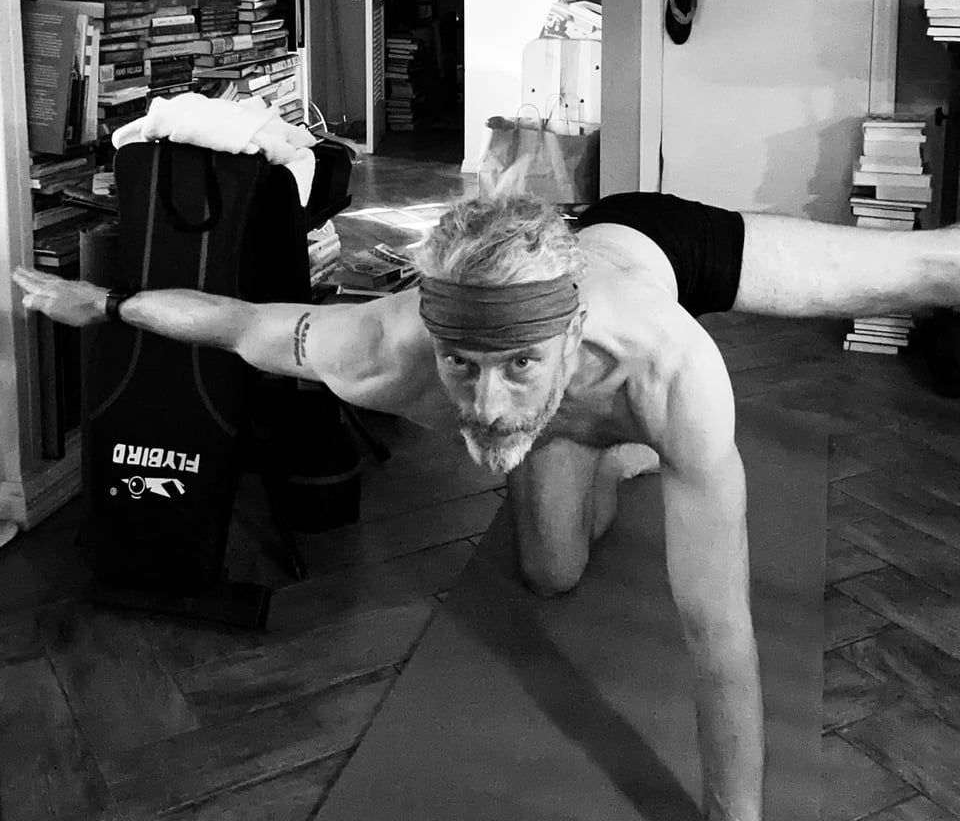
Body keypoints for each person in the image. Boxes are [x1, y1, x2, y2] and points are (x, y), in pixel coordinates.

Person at [13, 191, 960, 821]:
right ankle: (611, 454)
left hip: (661, 248)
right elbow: (236, 323)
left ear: (574, 334)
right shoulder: (380, 350)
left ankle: (624, 441)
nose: (485, 402)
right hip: (553, 315)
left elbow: (719, 635)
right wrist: (101, 300)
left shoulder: (676, 370)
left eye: (516, 368)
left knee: (923, 268)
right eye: (463, 366)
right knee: (551, 572)